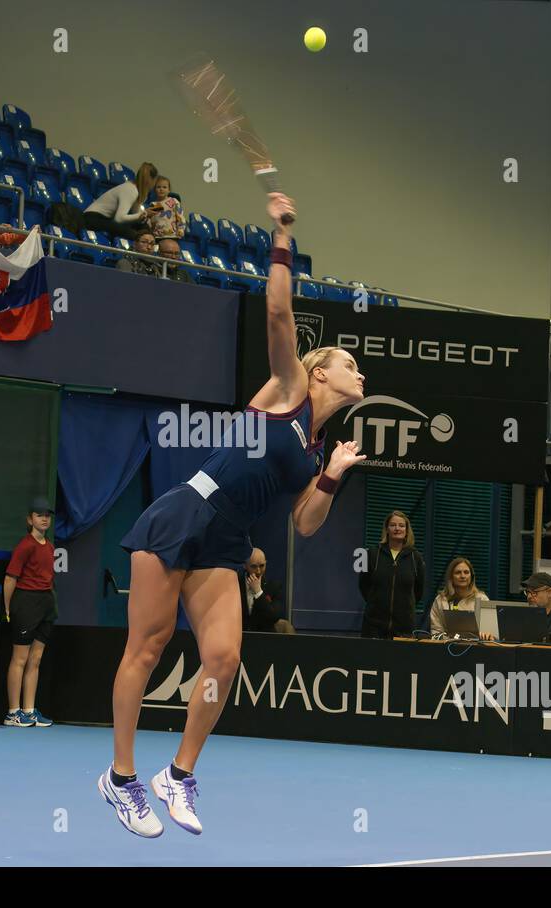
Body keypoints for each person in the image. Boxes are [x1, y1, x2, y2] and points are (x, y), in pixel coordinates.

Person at [100, 192, 367, 839]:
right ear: (321, 374)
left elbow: (304, 524)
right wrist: (281, 235)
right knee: (149, 645)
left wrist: (332, 473)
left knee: (221, 660)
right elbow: (278, 309)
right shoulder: (289, 389)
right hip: (183, 515)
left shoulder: (313, 448)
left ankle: (179, 774)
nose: (360, 373)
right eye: (350, 365)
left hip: (227, 540)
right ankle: (121, 777)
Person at [2, 496, 56, 729]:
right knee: (20, 659)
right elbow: (10, 578)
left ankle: (29, 710)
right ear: (30, 519)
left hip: (45, 603)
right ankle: (13, 713)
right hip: (25, 603)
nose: (44, 519)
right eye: (39, 515)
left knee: (36, 659)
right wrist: (7, 608)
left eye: (47, 515)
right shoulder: (25, 546)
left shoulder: (50, 547)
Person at [357, 510, 426, 639]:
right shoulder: (371, 554)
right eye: (393, 525)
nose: (397, 528)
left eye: (401, 525)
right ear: (387, 529)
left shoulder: (416, 557)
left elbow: (418, 591)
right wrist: (376, 602)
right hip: (373, 628)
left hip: (404, 628)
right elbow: (363, 585)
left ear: (407, 530)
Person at [81, 161, 158, 239]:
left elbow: (136, 216)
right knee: (135, 235)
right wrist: (143, 214)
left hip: (104, 219)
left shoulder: (135, 190)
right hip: (92, 218)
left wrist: (145, 215)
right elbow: (119, 219)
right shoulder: (131, 190)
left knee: (143, 229)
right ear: (150, 180)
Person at [428, 556, 494, 639]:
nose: (463, 576)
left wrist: (487, 635)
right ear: (451, 577)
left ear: (471, 576)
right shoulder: (441, 600)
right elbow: (436, 630)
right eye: (458, 572)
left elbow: (490, 631)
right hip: (446, 647)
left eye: (466, 572)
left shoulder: (482, 599)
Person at [238, 549, 293, 634]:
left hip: (265, 638)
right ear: (245, 565)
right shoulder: (236, 585)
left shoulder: (274, 586)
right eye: (253, 566)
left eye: (262, 566)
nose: (258, 571)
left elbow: (274, 617)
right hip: (240, 636)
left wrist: (258, 592)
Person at [144, 175, 186, 240]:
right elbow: (150, 221)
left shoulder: (173, 201)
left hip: (172, 235)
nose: (161, 189)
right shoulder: (153, 204)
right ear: (155, 190)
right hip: (157, 236)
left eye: (164, 187)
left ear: (169, 190)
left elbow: (180, 216)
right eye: (158, 187)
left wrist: (181, 229)